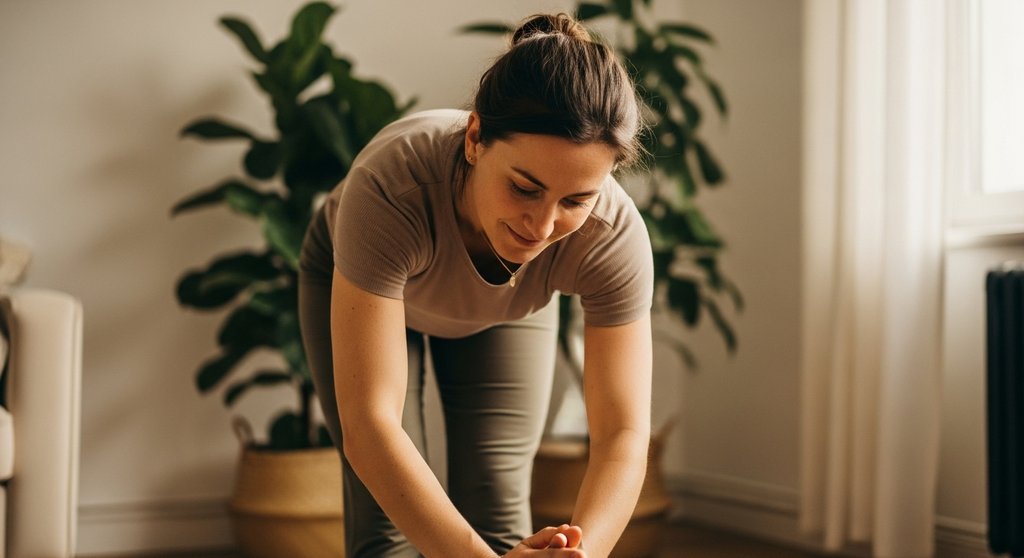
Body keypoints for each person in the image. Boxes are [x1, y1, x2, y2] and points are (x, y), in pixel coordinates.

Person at [298, 12, 654, 558]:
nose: (541, 227)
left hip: (506, 308)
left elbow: (623, 434)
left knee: (497, 502)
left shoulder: (610, 237)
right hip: (357, 280)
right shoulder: (394, 186)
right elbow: (371, 429)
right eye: (524, 187)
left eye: (576, 200)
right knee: (387, 529)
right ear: (474, 139)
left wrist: (583, 553)